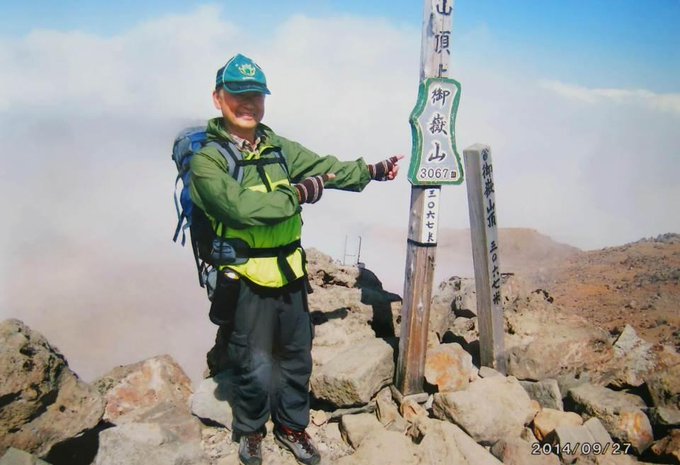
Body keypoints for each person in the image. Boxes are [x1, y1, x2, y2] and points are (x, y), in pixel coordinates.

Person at [189, 53, 402, 465]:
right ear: (218, 99)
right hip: (246, 277)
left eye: (256, 95)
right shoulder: (208, 160)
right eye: (238, 94)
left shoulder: (278, 147)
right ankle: (250, 430)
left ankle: (291, 425)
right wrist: (300, 193)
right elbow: (240, 210)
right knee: (252, 362)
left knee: (296, 354)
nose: (248, 103)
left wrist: (371, 171)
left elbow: (327, 168)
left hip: (290, 273)